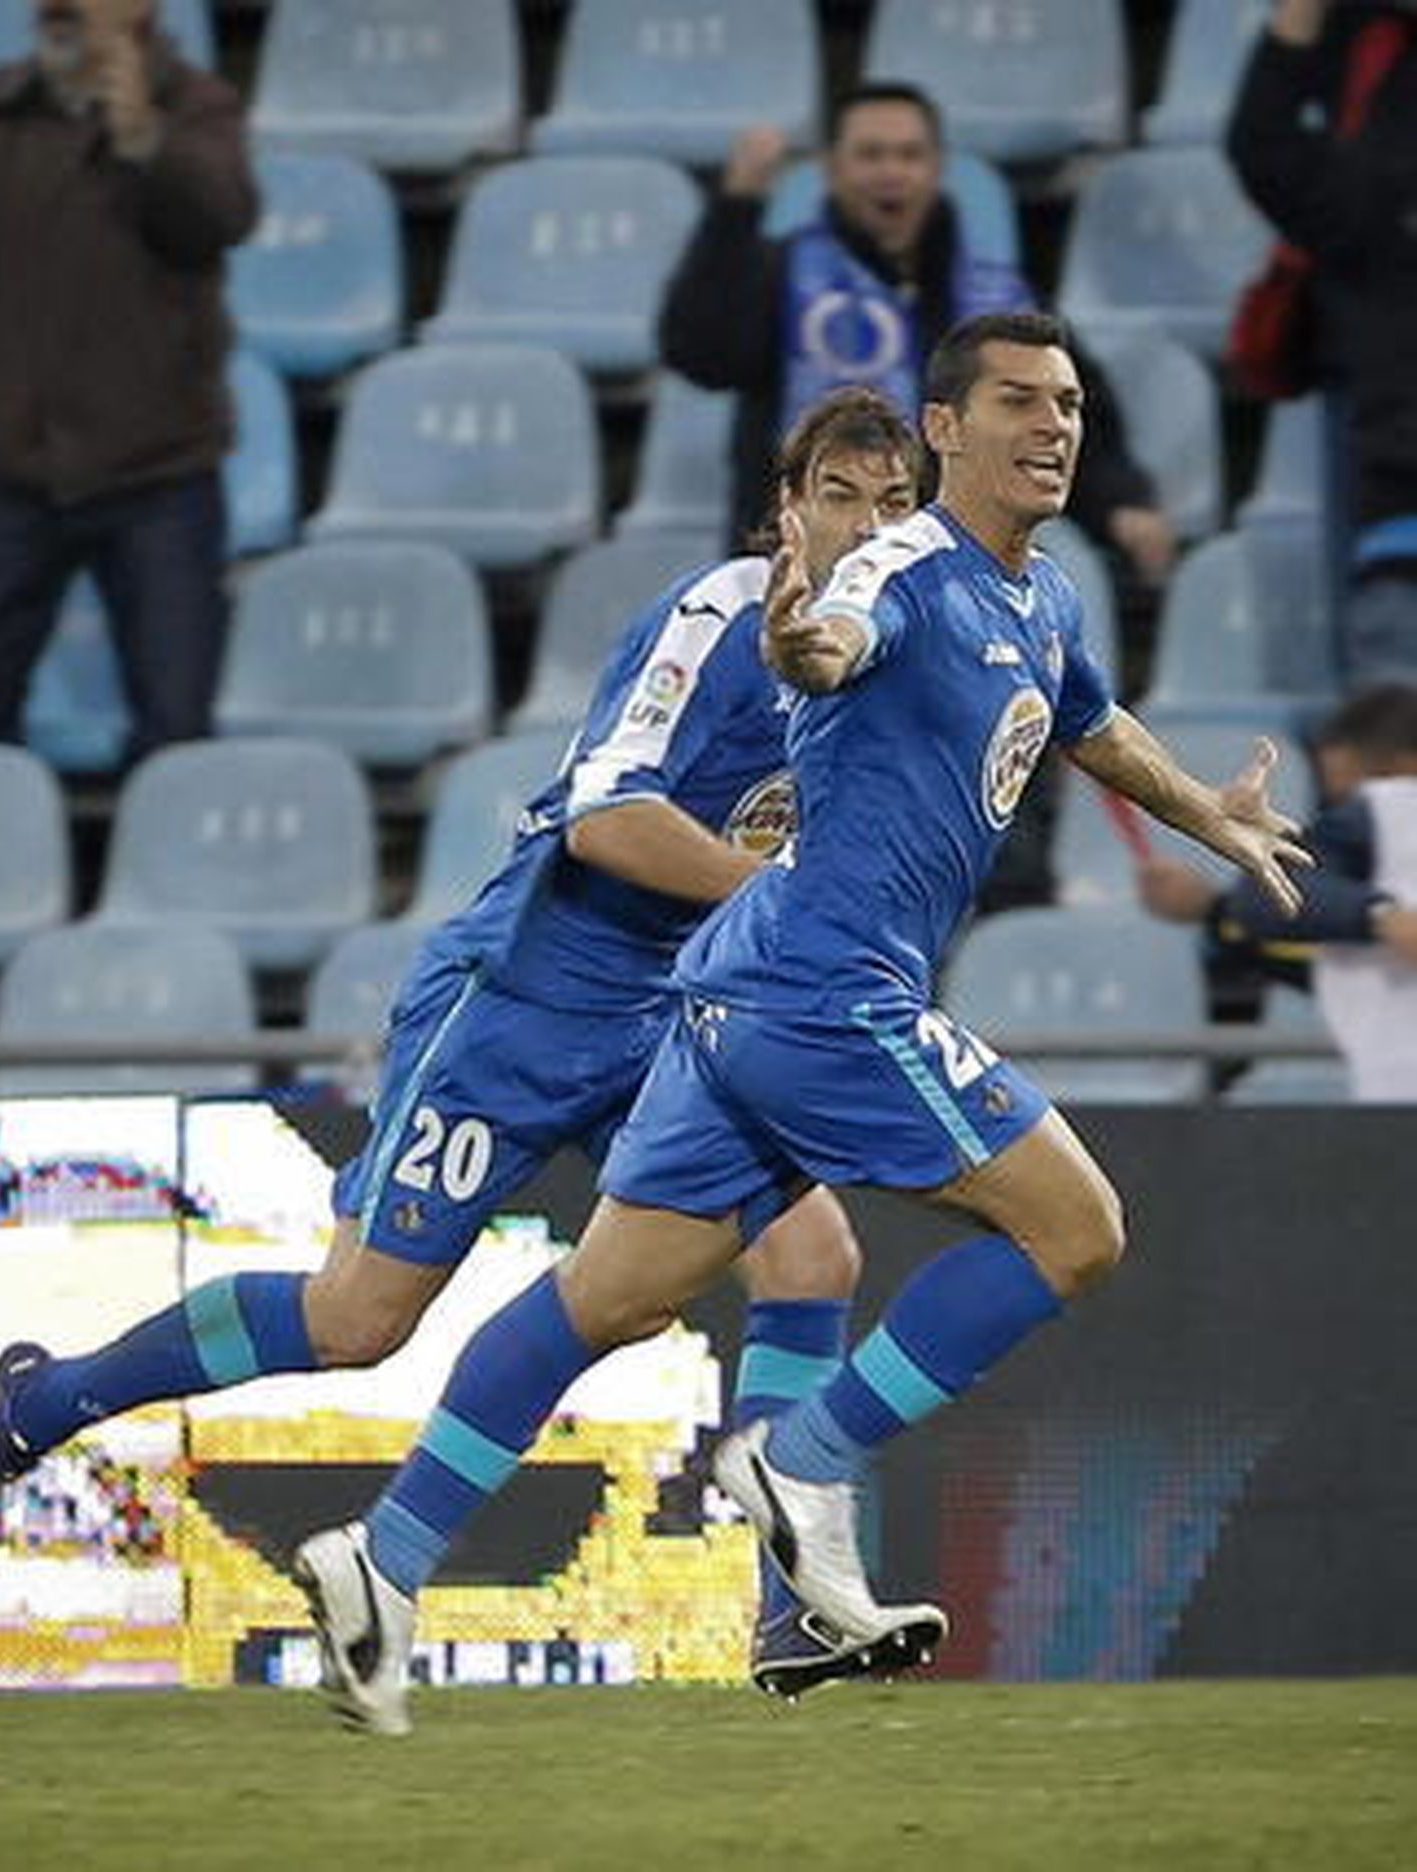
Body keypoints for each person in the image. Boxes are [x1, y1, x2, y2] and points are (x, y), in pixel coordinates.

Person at [290, 311, 1311, 1739]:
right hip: (830, 990)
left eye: (1069, 402)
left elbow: (1088, 721)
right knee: (1077, 1231)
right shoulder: (902, 564)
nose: (1054, 425)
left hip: (729, 994)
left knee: (610, 1295)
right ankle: (806, 1463)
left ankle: (381, 1562)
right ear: (945, 429)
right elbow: (836, 637)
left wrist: (1207, 813)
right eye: (1018, 401)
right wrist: (803, 638)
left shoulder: (1041, 595)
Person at [0, 387, 927, 1703]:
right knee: (355, 1322)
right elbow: (605, 824)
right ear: (784, 511)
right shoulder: (720, 617)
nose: (862, 529)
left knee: (811, 1249)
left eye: (893, 505)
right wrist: (778, 898)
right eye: (837, 497)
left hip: (679, 1018)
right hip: (526, 1001)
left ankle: (791, 1609)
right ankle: (40, 1404)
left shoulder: (889, 655)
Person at [0, 0, 258, 761]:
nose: (57, 7)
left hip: (159, 476)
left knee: (176, 731)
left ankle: (158, 878)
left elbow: (221, 219)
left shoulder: (195, 104)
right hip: (10, 475)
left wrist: (145, 143)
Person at [659, 82, 1179, 592]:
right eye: (870, 155)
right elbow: (700, 353)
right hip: (803, 574)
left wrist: (1118, 503)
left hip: (951, 578)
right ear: (832, 168)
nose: (892, 172)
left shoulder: (997, 295)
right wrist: (736, 208)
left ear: (936, 168)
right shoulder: (782, 273)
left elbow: (1056, 411)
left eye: (909, 155)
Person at [1227, 0, 1417, 685]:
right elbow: (1264, 143)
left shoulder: (1372, 189)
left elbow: (1264, 143)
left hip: (1394, 516)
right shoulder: (1373, 188)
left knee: (1390, 767)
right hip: (1397, 519)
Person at [1138, 682, 1417, 1098]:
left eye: (1345, 794)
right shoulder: (1374, 853)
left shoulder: (1393, 805)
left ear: (1404, 769)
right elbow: (1278, 907)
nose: (1340, 813)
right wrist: (1381, 917)